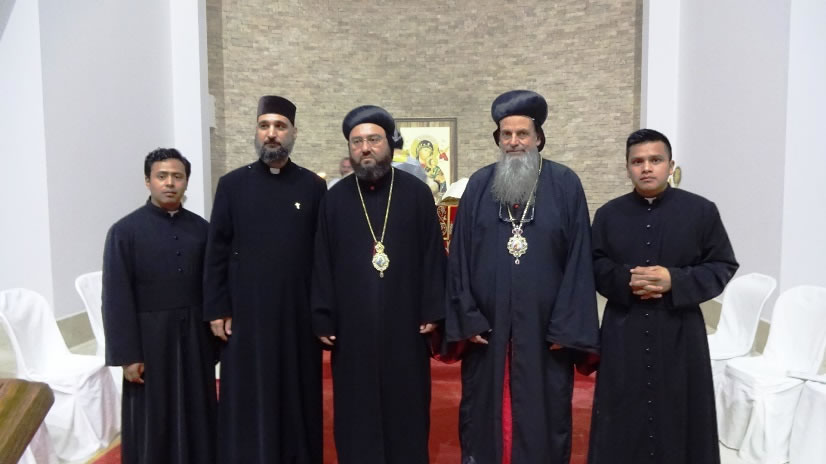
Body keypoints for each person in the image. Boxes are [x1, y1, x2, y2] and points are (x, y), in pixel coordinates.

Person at [445, 90, 600, 464]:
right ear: (498, 139)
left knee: (544, 413)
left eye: (522, 134)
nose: (514, 142)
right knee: (483, 414)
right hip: (488, 329)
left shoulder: (565, 184)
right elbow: (459, 257)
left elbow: (579, 259)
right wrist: (467, 318)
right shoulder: (479, 185)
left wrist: (566, 328)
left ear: (538, 137)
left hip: (545, 331)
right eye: (506, 134)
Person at [587, 129, 738, 464]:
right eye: (637, 161)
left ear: (670, 165)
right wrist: (625, 279)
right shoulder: (609, 214)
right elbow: (593, 265)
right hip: (624, 328)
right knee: (622, 410)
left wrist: (676, 280)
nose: (646, 168)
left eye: (655, 160)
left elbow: (722, 264)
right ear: (627, 167)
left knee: (680, 408)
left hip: (680, 329)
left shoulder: (701, 211)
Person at [312, 105, 446, 464]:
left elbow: (433, 254)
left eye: (373, 140)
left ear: (389, 144)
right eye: (357, 142)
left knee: (407, 410)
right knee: (355, 414)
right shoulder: (334, 199)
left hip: (406, 326)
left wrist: (433, 307)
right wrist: (323, 314)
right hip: (351, 330)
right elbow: (322, 260)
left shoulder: (416, 194)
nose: (365, 148)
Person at [203, 95, 327, 463]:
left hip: (296, 316)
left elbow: (322, 256)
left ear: (293, 133)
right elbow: (217, 251)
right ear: (257, 132)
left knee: (296, 393)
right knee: (248, 393)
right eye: (264, 126)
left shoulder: (312, 187)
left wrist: (322, 312)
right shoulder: (232, 185)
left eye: (279, 126)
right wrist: (217, 308)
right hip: (246, 315)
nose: (271, 133)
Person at [102, 148, 216, 464]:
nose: (169, 183)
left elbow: (212, 285)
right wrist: (127, 355)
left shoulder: (202, 230)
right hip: (148, 340)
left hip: (195, 338)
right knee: (153, 413)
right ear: (147, 181)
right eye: (161, 176)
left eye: (177, 176)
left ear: (186, 182)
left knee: (197, 407)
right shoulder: (124, 232)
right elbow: (116, 298)